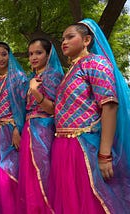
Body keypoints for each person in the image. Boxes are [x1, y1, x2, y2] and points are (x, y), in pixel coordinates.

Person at [49, 18, 130, 213]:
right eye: (62, 39)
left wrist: (104, 155)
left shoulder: (95, 63)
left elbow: (109, 106)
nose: (64, 42)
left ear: (86, 40)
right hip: (63, 146)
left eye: (70, 37)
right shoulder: (72, 70)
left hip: (84, 146)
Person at [17, 38, 63, 213]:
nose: (33, 57)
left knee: (44, 173)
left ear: (48, 54)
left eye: (38, 52)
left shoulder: (53, 76)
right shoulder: (32, 78)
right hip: (29, 130)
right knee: (30, 177)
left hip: (44, 129)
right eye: (30, 54)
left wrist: (35, 92)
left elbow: (53, 109)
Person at [0, 42, 27, 214]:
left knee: (10, 172)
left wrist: (18, 129)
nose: (0, 58)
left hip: (11, 131)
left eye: (4, 54)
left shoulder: (19, 78)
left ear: (10, 56)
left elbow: (25, 106)